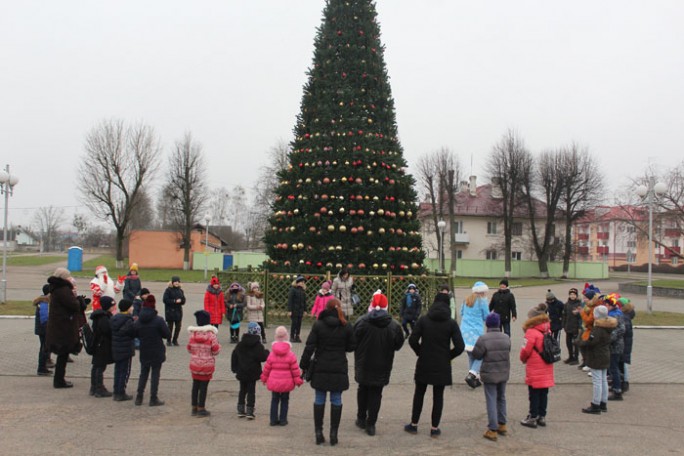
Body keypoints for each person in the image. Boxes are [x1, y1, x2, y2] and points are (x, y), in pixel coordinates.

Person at [404, 284, 465, 438]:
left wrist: (420, 352)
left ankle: (414, 424)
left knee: (419, 393)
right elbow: (460, 346)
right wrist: (448, 356)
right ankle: (434, 428)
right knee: (438, 396)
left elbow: (412, 340)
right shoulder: (451, 323)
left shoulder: (424, 320)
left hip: (425, 361)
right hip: (442, 364)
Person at [300, 298, 355, 446]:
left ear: (326, 308)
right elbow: (351, 347)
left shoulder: (318, 325)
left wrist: (303, 365)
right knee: (336, 399)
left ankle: (318, 432)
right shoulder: (346, 325)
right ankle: (334, 434)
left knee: (319, 398)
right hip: (338, 366)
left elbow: (309, 346)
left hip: (320, 366)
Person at [353, 292, 404, 436]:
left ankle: (361, 418)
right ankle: (371, 424)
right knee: (376, 392)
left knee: (362, 389)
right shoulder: (393, 325)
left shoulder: (362, 321)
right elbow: (398, 344)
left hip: (363, 362)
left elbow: (352, 340)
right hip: (383, 363)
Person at [472, 312, 511, 441]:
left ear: (487, 324)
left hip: (489, 373)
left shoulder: (483, 339)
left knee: (491, 399)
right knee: (502, 398)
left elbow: (477, 355)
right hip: (503, 371)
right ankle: (502, 424)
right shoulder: (506, 337)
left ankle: (492, 428)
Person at [46, 267, 83, 388]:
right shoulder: (63, 289)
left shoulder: (56, 288)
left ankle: (59, 379)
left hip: (59, 325)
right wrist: (78, 302)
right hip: (64, 326)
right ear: (63, 277)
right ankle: (59, 380)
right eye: (68, 276)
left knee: (62, 355)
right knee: (63, 354)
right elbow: (73, 305)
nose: (70, 278)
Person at [519, 303, 555, 428]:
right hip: (546, 364)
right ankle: (542, 415)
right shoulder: (547, 330)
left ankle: (532, 416)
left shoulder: (531, 332)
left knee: (534, 392)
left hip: (534, 365)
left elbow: (525, 350)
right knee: (544, 392)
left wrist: (522, 359)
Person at [261, 326, 304, 426]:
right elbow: (295, 370)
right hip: (286, 382)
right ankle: (283, 420)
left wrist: (264, 378)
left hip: (274, 381)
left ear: (276, 337)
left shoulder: (272, 354)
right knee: (285, 400)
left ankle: (273, 420)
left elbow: (267, 368)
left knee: (274, 399)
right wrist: (298, 380)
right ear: (287, 337)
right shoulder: (291, 354)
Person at [577, 305, 616, 414]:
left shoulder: (598, 329)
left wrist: (580, 343)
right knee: (603, 379)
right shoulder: (608, 327)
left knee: (597, 381)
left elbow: (591, 342)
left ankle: (596, 404)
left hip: (597, 356)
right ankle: (603, 402)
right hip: (605, 354)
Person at [134, 294, 171, 406]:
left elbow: (134, 332)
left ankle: (139, 397)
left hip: (144, 349)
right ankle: (153, 398)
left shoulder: (139, 321)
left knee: (143, 373)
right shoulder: (158, 320)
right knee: (155, 374)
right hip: (156, 349)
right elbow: (167, 334)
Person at [231, 322, 269, 420]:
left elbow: (234, 356)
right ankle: (249, 411)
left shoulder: (240, 344)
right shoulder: (258, 345)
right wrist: (267, 352)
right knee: (251, 391)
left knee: (242, 390)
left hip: (242, 372)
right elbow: (262, 357)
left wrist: (234, 368)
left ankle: (240, 409)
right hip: (252, 373)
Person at [188, 310, 221, 417]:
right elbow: (215, 350)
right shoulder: (211, 336)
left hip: (195, 363)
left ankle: (194, 407)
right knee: (203, 387)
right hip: (207, 365)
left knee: (195, 385)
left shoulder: (193, 335)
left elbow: (189, 349)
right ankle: (201, 408)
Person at [461, 281, 490, 388]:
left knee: (471, 355)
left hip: (464, 331)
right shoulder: (482, 301)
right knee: (481, 355)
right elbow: (486, 316)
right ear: (482, 292)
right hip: (476, 332)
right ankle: (472, 374)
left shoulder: (466, 300)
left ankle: (475, 378)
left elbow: (461, 313)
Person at [110, 299, 136, 401]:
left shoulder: (114, 318)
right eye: (131, 306)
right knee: (124, 371)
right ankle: (121, 392)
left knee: (117, 370)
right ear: (128, 308)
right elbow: (132, 333)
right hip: (126, 349)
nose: (133, 308)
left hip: (116, 348)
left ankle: (116, 390)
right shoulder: (128, 320)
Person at [90, 296, 115, 398]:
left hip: (99, 344)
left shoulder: (100, 316)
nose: (114, 307)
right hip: (102, 345)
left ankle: (94, 387)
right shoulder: (103, 318)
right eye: (112, 305)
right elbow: (107, 331)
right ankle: (99, 388)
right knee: (100, 366)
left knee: (97, 366)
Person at [605, 294, 626, 401]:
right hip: (614, 345)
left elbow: (621, 329)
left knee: (614, 368)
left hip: (615, 346)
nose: (605, 307)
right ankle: (615, 386)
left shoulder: (616, 315)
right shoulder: (612, 313)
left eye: (607, 305)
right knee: (613, 367)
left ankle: (617, 390)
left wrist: (610, 337)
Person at [579, 283, 601, 371]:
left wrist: (582, 313)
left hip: (591, 330)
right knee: (584, 346)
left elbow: (589, 320)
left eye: (586, 298)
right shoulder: (589, 306)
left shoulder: (594, 308)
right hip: (587, 329)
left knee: (590, 348)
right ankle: (588, 363)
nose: (584, 300)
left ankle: (591, 365)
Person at [163, 276, 186, 346]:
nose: (176, 283)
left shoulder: (181, 290)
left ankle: (175, 340)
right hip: (170, 311)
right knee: (170, 327)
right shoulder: (168, 290)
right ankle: (168, 340)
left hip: (178, 311)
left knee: (178, 327)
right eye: (175, 282)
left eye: (178, 282)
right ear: (172, 282)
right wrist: (174, 301)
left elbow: (183, 300)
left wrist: (181, 301)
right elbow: (165, 300)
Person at [561, 288, 582, 365]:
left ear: (576, 295)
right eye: (571, 294)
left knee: (575, 343)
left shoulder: (579, 304)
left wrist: (579, 327)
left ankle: (576, 358)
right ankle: (570, 356)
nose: (572, 296)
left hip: (575, 327)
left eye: (574, 294)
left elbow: (581, 317)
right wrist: (563, 324)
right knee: (568, 343)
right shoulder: (567, 304)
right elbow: (564, 315)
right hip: (568, 327)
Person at [34, 284, 51, 376]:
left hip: (42, 329)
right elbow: (44, 318)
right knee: (44, 348)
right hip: (44, 329)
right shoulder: (44, 302)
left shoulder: (43, 300)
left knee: (44, 348)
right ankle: (41, 368)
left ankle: (43, 367)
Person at [619, 297, 635, 393]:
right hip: (624, 343)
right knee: (621, 363)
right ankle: (622, 381)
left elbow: (623, 332)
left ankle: (625, 382)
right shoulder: (626, 316)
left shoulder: (625, 318)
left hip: (624, 344)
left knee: (623, 363)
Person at [288, 276, 307, 343]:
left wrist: (305, 310)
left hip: (300, 311)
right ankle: (292, 336)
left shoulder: (303, 291)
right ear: (297, 282)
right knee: (294, 323)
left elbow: (304, 301)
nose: (302, 283)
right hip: (294, 310)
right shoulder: (293, 289)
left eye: (303, 282)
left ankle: (297, 336)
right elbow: (290, 301)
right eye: (301, 282)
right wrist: (289, 310)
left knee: (299, 324)